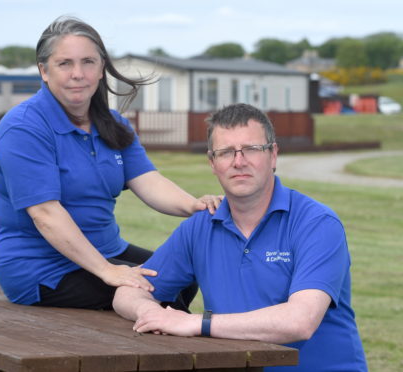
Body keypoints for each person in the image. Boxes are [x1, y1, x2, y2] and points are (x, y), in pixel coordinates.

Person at [113, 103, 368, 372]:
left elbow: (299, 321)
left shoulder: (315, 223)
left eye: (251, 149)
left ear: (273, 155)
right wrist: (149, 312)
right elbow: (127, 292)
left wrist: (198, 323)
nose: (239, 161)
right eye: (225, 152)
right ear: (212, 163)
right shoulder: (202, 225)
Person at [0, 16, 220, 310]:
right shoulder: (23, 129)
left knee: (185, 276)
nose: (78, 73)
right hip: (40, 268)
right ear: (43, 71)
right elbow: (46, 214)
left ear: (101, 69)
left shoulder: (113, 124)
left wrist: (194, 206)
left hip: (107, 250)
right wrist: (107, 271)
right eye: (65, 64)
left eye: (88, 62)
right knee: (156, 293)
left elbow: (148, 180)